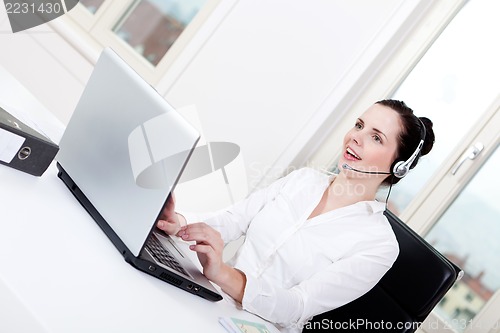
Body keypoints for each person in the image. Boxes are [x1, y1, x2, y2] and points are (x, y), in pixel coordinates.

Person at [156, 99, 435, 332]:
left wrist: (224, 273)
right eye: (359, 125)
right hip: (211, 297)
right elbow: (233, 220)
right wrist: (178, 223)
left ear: (398, 167)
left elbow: (298, 305)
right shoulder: (304, 180)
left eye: (376, 137)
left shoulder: (379, 245)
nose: (356, 137)